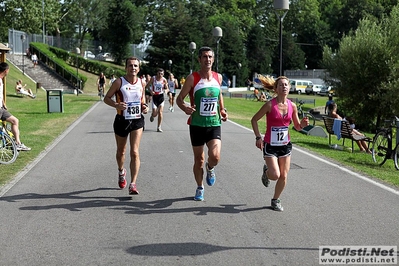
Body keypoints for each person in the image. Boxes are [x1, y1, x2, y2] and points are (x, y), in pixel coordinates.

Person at [176, 46, 228, 201]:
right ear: (199, 59)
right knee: (198, 160)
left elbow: (219, 97)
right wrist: (184, 107)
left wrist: (223, 110)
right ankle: (200, 187)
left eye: (210, 56)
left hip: (214, 123)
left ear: (213, 59)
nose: (208, 59)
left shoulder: (218, 78)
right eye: (204, 56)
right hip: (197, 125)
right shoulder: (193, 78)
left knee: (215, 156)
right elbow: (179, 99)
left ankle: (210, 168)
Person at [251, 75, 309, 211]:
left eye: (286, 85)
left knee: (284, 175)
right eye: (281, 85)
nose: (284, 87)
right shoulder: (270, 105)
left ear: (289, 88)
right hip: (270, 146)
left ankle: (275, 200)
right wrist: (258, 137)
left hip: (285, 145)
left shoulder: (292, 106)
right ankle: (266, 172)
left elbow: (297, 126)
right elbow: (254, 120)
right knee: (275, 175)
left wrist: (303, 124)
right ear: (276, 89)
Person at [103, 57, 149, 195]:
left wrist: (144, 106)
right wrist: (116, 105)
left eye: (135, 66)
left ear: (139, 68)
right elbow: (106, 98)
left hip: (137, 120)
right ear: (126, 67)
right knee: (121, 151)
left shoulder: (142, 82)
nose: (133, 68)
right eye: (130, 65)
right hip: (121, 120)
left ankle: (133, 184)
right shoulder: (119, 82)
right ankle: (121, 171)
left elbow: (142, 99)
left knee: (134, 152)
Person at [0, 62, 31, 151]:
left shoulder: (1, 80)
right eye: (8, 70)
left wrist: (3, 103)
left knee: (15, 121)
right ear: (6, 70)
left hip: (1, 108)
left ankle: (17, 143)